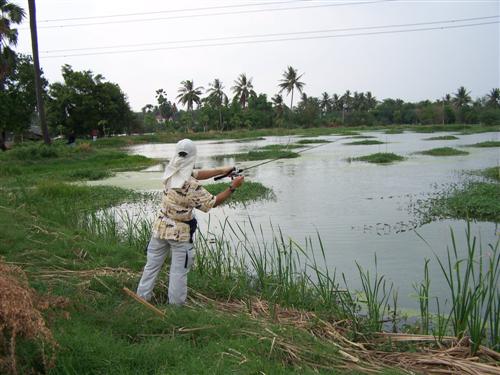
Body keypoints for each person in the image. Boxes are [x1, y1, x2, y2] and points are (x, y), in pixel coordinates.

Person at [136, 139, 244, 305]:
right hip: (180, 235)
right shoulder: (191, 187)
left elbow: (196, 174)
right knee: (179, 272)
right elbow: (212, 203)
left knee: (151, 266)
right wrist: (233, 187)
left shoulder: (170, 171)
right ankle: (176, 308)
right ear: (193, 156)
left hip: (160, 228)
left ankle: (142, 297)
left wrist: (222, 170)